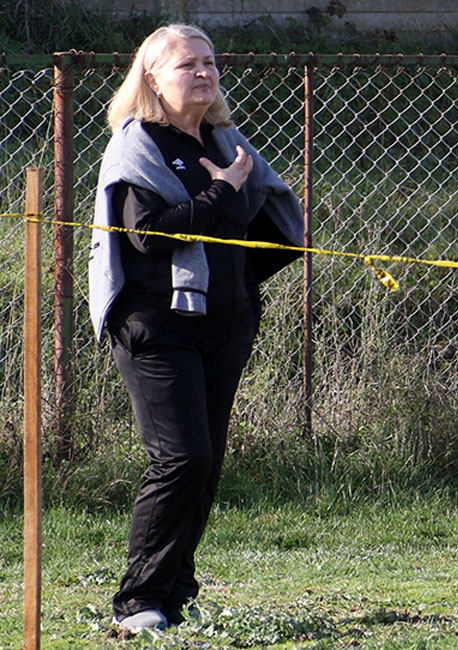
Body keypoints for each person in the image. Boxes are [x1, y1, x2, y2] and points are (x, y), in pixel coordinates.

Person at [88, 24, 303, 631]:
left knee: (205, 465)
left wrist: (236, 281)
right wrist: (220, 190)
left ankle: (175, 594)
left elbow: (265, 224)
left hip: (225, 323)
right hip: (157, 324)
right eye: (188, 65)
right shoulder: (138, 145)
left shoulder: (226, 141)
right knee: (180, 459)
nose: (205, 72)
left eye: (210, 62)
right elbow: (148, 235)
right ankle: (137, 603)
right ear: (152, 78)